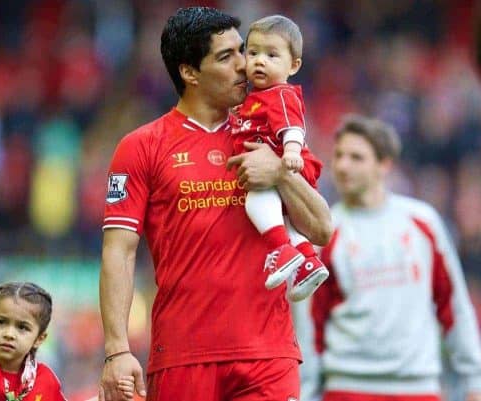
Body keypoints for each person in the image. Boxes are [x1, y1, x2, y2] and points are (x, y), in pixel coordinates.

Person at [99, 6, 332, 401]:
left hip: (268, 356)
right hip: (183, 355)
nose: (246, 65)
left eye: (243, 51)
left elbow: (322, 228)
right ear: (190, 72)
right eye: (227, 57)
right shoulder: (141, 147)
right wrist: (117, 349)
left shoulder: (269, 131)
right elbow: (118, 252)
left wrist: (279, 172)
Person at [297, 114, 481, 401]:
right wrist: (306, 391)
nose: (343, 166)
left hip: (417, 387)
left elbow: (453, 306)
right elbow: (310, 325)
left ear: (384, 165)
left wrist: (475, 380)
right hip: (349, 387)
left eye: (357, 157)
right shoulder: (325, 233)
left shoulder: (423, 223)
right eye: (339, 156)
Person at [230, 15, 328, 300]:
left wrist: (291, 152)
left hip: (286, 164)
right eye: (253, 53)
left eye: (272, 55)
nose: (260, 61)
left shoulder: (280, 94)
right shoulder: (253, 98)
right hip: (279, 165)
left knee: (256, 199)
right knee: (283, 220)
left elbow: (292, 126)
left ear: (294, 65)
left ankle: (280, 250)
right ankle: (308, 261)